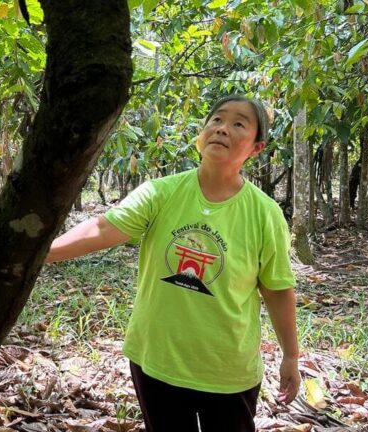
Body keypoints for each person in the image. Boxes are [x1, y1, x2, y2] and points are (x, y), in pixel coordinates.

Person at [45, 95, 300, 432]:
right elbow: (104, 228)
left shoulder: (265, 213)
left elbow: (276, 289)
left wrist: (291, 356)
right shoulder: (160, 193)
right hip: (157, 361)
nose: (223, 128)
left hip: (227, 370)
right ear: (201, 134)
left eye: (239, 124)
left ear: (256, 148)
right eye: (217, 119)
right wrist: (42, 253)